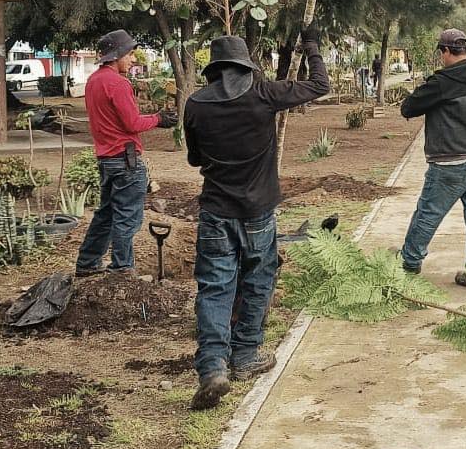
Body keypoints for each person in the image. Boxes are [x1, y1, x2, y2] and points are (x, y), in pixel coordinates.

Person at [184, 26, 329, 410]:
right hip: (258, 213)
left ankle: (213, 366)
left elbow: (195, 158)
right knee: (258, 279)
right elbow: (319, 85)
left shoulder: (196, 104)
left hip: (216, 211)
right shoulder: (264, 94)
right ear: (246, 67)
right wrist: (310, 44)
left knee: (215, 288)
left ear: (214, 69)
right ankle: (246, 356)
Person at [75, 30, 178, 277]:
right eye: (130, 54)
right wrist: (159, 119)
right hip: (126, 160)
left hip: (106, 159)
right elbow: (132, 124)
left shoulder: (93, 81)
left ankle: (87, 264)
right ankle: (122, 268)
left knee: (106, 215)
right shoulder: (118, 83)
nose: (133, 60)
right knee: (127, 219)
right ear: (118, 55)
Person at [398, 28, 466, 287]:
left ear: (446, 51)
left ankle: (408, 262)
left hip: (452, 161)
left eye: (441, 53)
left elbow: (408, 108)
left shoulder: (442, 83)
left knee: (428, 212)